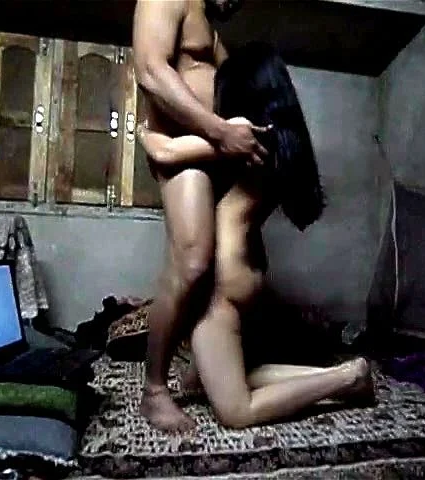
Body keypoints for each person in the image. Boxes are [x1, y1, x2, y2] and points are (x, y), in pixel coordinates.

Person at [138, 42, 374, 429]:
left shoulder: (244, 139)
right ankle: (340, 375)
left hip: (220, 284)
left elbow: (165, 152)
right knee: (216, 379)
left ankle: (347, 377)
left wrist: (143, 131)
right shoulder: (285, 143)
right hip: (247, 269)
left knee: (237, 411)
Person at [133, 0, 269, 432]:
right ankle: (154, 390)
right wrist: (220, 130)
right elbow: (151, 71)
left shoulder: (210, 25)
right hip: (187, 144)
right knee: (191, 261)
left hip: (215, 147)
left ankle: (200, 369)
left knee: (225, 268)